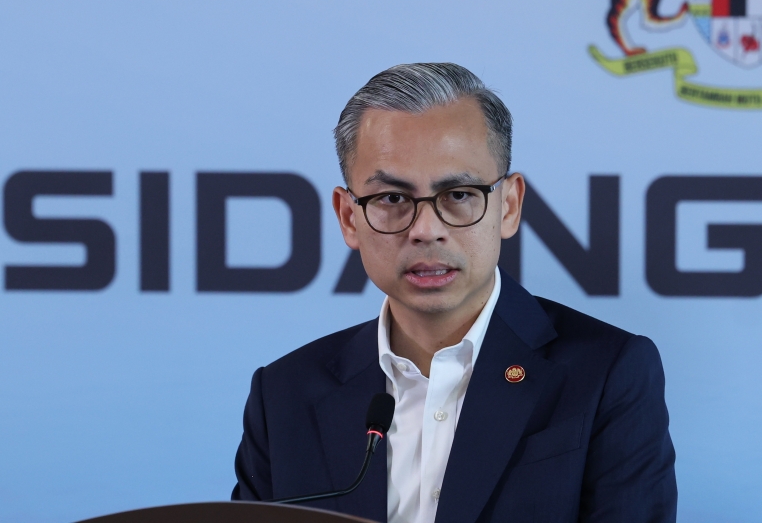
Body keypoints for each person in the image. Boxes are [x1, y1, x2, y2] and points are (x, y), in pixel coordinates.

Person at [232, 63, 677, 522]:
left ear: (509, 205)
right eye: (391, 199)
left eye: (459, 194)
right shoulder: (284, 394)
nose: (426, 230)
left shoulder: (607, 374)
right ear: (349, 217)